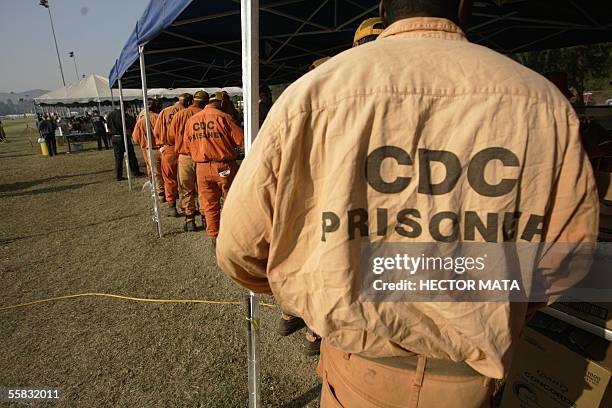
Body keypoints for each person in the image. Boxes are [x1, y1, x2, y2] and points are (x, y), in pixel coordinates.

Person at [215, 1, 600, 407]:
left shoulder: (312, 95)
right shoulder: (541, 102)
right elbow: (569, 256)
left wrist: (314, 287)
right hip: (466, 381)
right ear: (464, 6)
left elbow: (238, 248)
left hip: (356, 369)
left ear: (385, 7)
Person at [184, 92, 244, 246]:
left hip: (202, 168)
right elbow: (243, 141)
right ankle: (235, 235)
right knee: (232, 201)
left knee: (209, 205)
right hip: (224, 166)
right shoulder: (224, 118)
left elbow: (187, 146)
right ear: (223, 103)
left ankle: (214, 237)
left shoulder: (192, 120)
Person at [170, 90, 209, 232]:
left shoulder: (180, 115)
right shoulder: (206, 115)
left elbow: (170, 136)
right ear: (205, 102)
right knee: (203, 189)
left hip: (185, 157)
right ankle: (206, 218)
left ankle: (190, 220)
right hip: (203, 158)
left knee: (186, 189)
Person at [154, 94, 191, 216]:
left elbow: (157, 132)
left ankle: (171, 206)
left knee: (169, 179)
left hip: (169, 149)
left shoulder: (164, 112)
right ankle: (189, 207)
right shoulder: (189, 112)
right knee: (187, 181)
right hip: (186, 149)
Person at [132, 100, 164, 200]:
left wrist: (144, 141)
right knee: (165, 171)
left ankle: (159, 191)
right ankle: (166, 191)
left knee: (154, 172)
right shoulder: (159, 117)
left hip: (148, 149)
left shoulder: (141, 120)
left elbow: (135, 138)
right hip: (162, 148)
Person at [107, 107, 142, 181]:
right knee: (131, 155)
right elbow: (129, 124)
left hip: (114, 137)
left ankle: (118, 176)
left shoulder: (110, 115)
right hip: (122, 137)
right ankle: (135, 171)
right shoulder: (122, 115)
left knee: (118, 158)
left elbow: (108, 127)